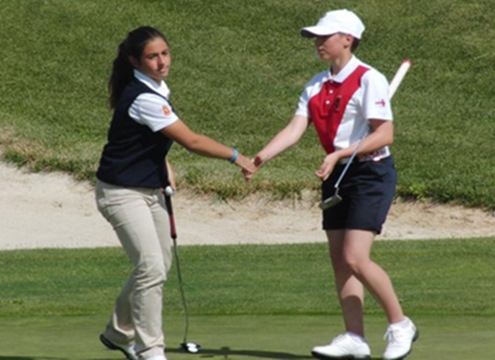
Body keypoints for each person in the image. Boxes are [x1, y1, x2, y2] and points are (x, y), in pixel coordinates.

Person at [245, 9, 418, 360]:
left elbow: (385, 133)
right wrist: (261, 157)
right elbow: (296, 128)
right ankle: (355, 337)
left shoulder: (370, 79)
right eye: (316, 37)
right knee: (341, 261)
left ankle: (401, 325)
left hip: (371, 173)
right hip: (338, 175)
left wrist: (341, 154)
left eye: (324, 37)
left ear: (347, 40)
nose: (318, 43)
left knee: (355, 257)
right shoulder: (315, 84)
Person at [95, 26, 256, 360]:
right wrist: (235, 155)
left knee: (158, 263)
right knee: (151, 267)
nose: (161, 62)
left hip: (149, 188)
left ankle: (117, 332)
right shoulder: (143, 96)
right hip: (120, 193)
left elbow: (142, 139)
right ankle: (150, 349)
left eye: (164, 53)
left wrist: (162, 160)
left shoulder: (155, 88)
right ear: (135, 61)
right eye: (152, 57)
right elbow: (192, 140)